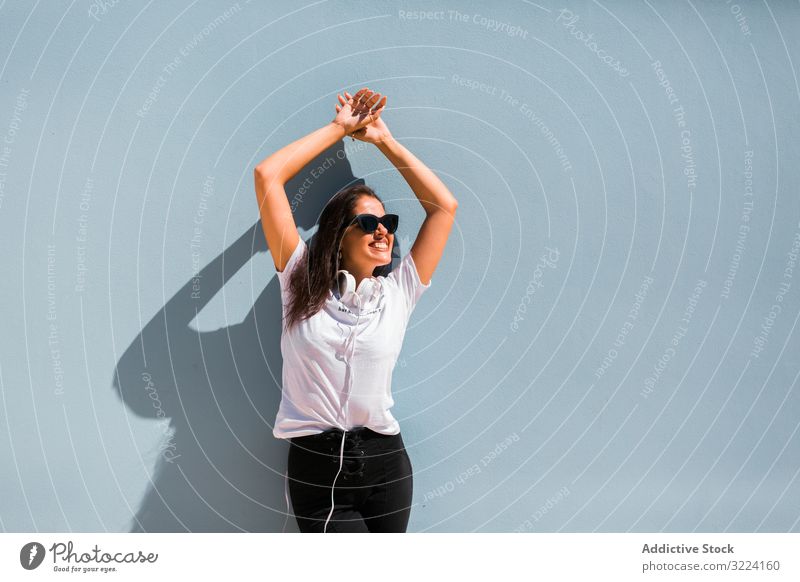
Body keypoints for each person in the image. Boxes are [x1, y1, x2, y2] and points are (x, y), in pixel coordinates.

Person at [254, 88, 458, 532]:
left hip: (386, 465)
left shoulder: (399, 292)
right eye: (367, 222)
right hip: (318, 466)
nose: (382, 230)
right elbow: (267, 176)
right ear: (338, 235)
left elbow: (444, 208)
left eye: (388, 223)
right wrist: (340, 129)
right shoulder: (299, 281)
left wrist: (384, 141)